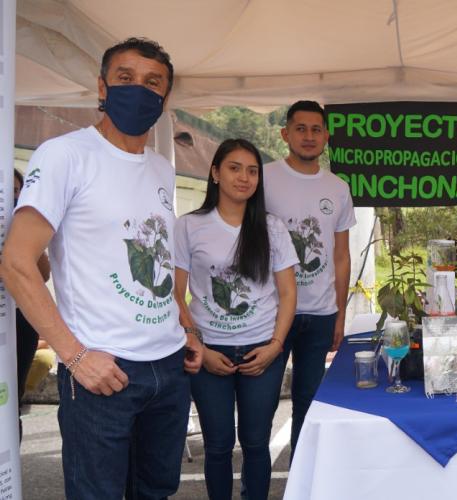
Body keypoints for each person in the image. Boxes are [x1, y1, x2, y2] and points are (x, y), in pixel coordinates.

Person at [1, 37, 203, 499]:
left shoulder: (160, 167)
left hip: (169, 367)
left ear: (165, 97)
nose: (139, 90)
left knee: (156, 492)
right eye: (125, 78)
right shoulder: (64, 155)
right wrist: (74, 356)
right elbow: (15, 262)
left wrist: (186, 328)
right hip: (102, 370)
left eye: (153, 83)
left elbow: (158, 261)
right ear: (101, 87)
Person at [174, 139, 297, 500]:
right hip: (209, 352)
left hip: (262, 352)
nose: (244, 177)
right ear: (215, 173)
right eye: (234, 168)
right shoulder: (189, 226)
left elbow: (288, 293)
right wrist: (198, 346)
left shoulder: (272, 227)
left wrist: (275, 347)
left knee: (257, 443)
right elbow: (175, 293)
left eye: (252, 171)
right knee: (218, 445)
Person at [263, 100, 356, 456]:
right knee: (263, 404)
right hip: (271, 313)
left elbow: (341, 256)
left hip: (320, 314)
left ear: (326, 137)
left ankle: (301, 478)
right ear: (285, 133)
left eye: (316, 129)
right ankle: (255, 481)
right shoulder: (264, 177)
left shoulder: (338, 187)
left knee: (308, 404)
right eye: (300, 128)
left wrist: (340, 315)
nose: (308, 136)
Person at [12, 169, 51, 440]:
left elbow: (44, 274)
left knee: (11, 396)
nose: (11, 197)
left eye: (17, 191)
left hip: (18, 320)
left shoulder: (23, 223)